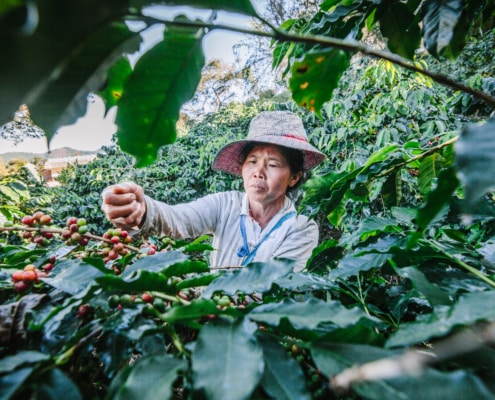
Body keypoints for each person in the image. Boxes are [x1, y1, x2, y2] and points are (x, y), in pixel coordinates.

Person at [101, 111, 326, 271]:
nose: (258, 172)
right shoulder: (224, 205)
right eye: (252, 161)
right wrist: (142, 210)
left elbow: (278, 288)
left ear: (294, 177)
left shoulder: (302, 229)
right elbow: (179, 218)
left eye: (273, 164)